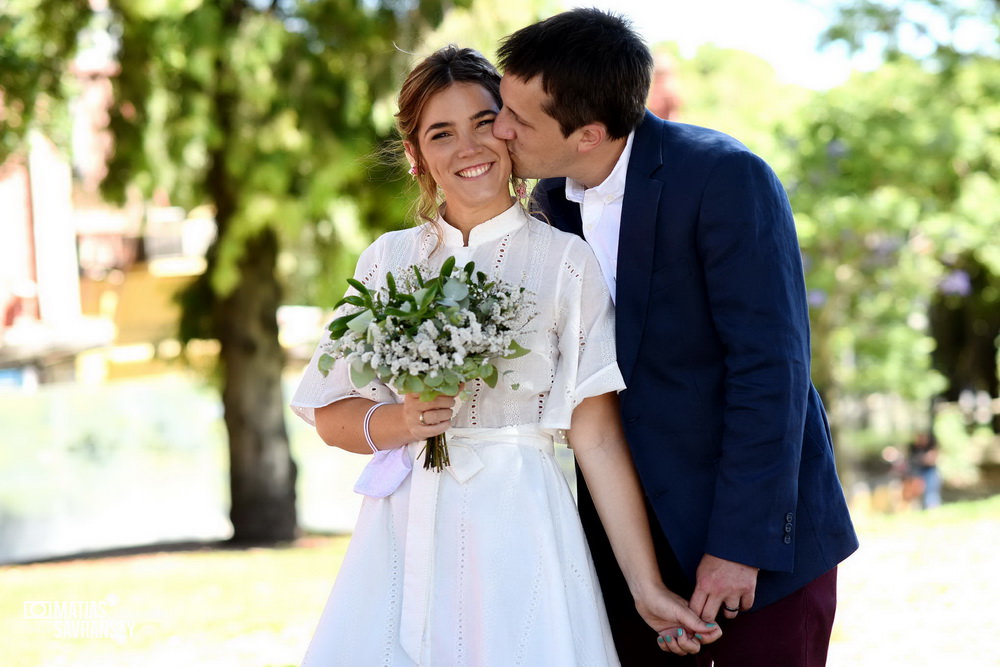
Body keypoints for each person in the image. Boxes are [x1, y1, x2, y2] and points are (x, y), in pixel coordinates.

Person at [290, 45, 719, 666]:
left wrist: (644, 585)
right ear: (416, 156)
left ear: (511, 130)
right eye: (441, 133)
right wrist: (401, 424)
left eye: (484, 123)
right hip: (400, 529)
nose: (468, 148)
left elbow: (595, 439)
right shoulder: (387, 260)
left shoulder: (567, 262)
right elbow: (328, 412)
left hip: (523, 525)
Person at [493, 9, 860, 666]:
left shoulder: (725, 179)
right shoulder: (546, 204)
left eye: (519, 119)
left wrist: (738, 546)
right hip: (625, 558)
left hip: (757, 551)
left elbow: (770, 370)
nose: (499, 128)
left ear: (589, 133)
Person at [906, 431, 941, 509]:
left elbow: (930, 460)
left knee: (931, 493)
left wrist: (924, 459)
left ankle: (933, 508)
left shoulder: (930, 446)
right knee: (915, 493)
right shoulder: (913, 448)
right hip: (917, 473)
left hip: (929, 472)